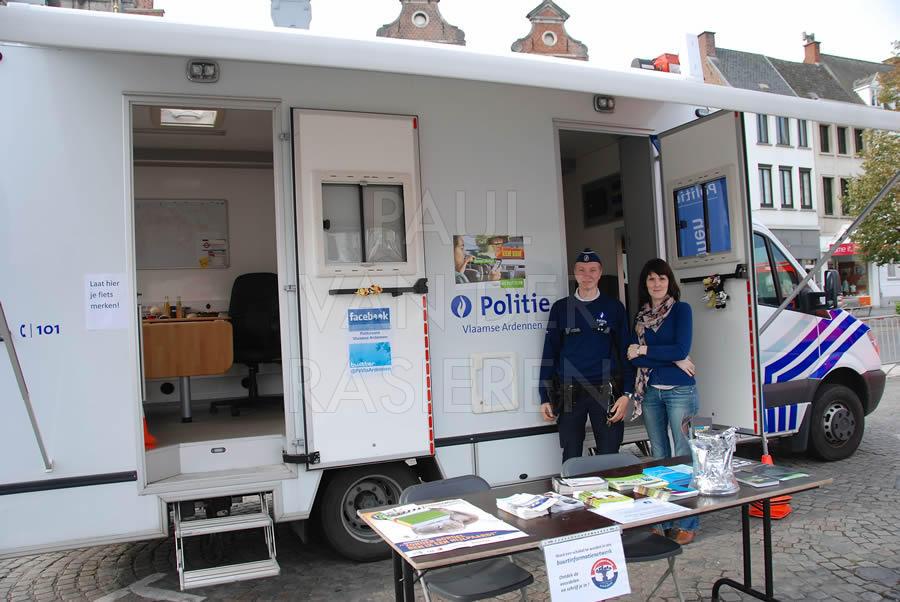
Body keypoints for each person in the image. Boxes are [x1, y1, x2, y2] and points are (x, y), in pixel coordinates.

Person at [627, 257, 699, 544]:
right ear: (644, 284)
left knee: (683, 456)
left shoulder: (682, 310)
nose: (656, 284)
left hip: (680, 390)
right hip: (651, 393)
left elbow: (681, 347)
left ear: (670, 282)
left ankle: (687, 521)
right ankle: (662, 519)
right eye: (651, 279)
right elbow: (632, 358)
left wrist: (645, 351)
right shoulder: (640, 317)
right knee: (659, 457)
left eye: (662, 278)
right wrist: (673, 358)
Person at [539, 249, 634, 462]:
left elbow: (625, 352)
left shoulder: (614, 307)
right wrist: (544, 396)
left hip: (606, 388)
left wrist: (627, 393)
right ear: (575, 273)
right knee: (571, 453)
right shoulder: (560, 309)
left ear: (600, 273)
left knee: (609, 453)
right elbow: (549, 353)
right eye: (581, 270)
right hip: (569, 389)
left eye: (592, 270)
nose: (587, 275)